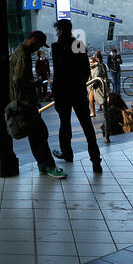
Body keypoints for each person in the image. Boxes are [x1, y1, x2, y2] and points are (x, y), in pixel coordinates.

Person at [8, 31, 65, 178]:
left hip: (22, 102)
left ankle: (42, 165)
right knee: (40, 133)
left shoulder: (19, 53)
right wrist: (36, 83)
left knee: (35, 135)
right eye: (39, 44)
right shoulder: (23, 55)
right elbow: (18, 81)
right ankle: (49, 166)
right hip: (25, 102)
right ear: (33, 40)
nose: (38, 48)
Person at [51, 19, 102, 172]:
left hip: (63, 91)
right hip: (78, 90)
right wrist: (79, 83)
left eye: (57, 30)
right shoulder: (79, 45)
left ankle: (67, 153)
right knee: (87, 125)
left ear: (60, 30)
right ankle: (95, 160)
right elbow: (86, 70)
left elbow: (58, 71)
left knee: (64, 123)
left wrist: (56, 90)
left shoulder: (56, 46)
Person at [88, 51, 109, 119]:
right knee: (91, 99)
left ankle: (107, 110)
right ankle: (93, 112)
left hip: (97, 86)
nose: (90, 63)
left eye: (91, 62)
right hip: (92, 87)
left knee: (102, 99)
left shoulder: (98, 66)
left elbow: (98, 76)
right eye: (89, 62)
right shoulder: (92, 67)